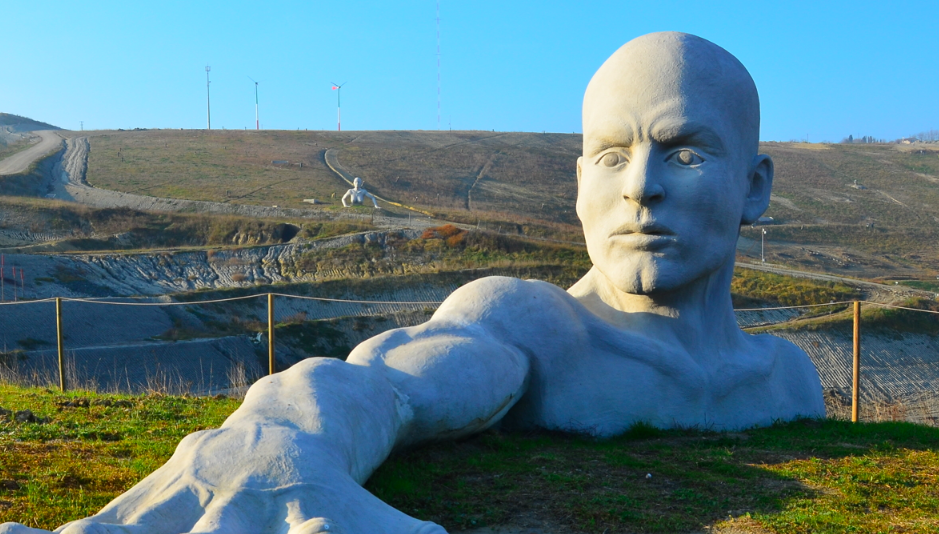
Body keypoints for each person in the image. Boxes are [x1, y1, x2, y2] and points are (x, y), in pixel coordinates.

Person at [2, 32, 824, 534]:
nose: (639, 186)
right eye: (611, 156)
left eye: (683, 151)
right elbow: (382, 379)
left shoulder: (787, 378)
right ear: (579, 182)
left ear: (753, 187)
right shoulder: (533, 325)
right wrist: (287, 452)